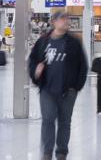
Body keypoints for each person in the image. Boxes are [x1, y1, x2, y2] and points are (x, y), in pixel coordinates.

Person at [28, 11, 88, 160]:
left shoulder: (74, 42)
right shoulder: (43, 41)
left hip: (68, 91)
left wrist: (76, 87)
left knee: (64, 122)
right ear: (54, 22)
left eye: (67, 19)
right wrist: (35, 71)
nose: (65, 22)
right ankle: (47, 153)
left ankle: (61, 152)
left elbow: (83, 66)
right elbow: (33, 60)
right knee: (48, 120)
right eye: (62, 19)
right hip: (47, 89)